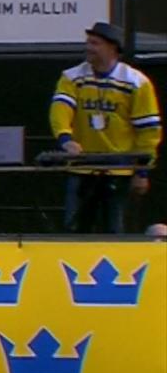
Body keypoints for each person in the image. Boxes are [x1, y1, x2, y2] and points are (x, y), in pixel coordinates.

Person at [49, 22, 160, 234]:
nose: (88, 48)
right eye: (88, 42)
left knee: (114, 231)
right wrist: (65, 139)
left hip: (119, 170)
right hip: (81, 167)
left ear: (112, 47)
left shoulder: (136, 82)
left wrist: (142, 171)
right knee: (74, 232)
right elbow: (61, 109)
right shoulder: (72, 77)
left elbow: (148, 131)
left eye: (95, 43)